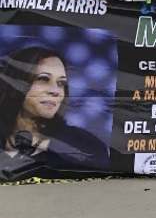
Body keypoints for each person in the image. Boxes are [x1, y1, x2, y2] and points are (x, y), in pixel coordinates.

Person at [0, 46, 109, 175]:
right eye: (43, 79)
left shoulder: (86, 146)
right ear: (16, 83)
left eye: (61, 83)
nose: (55, 91)